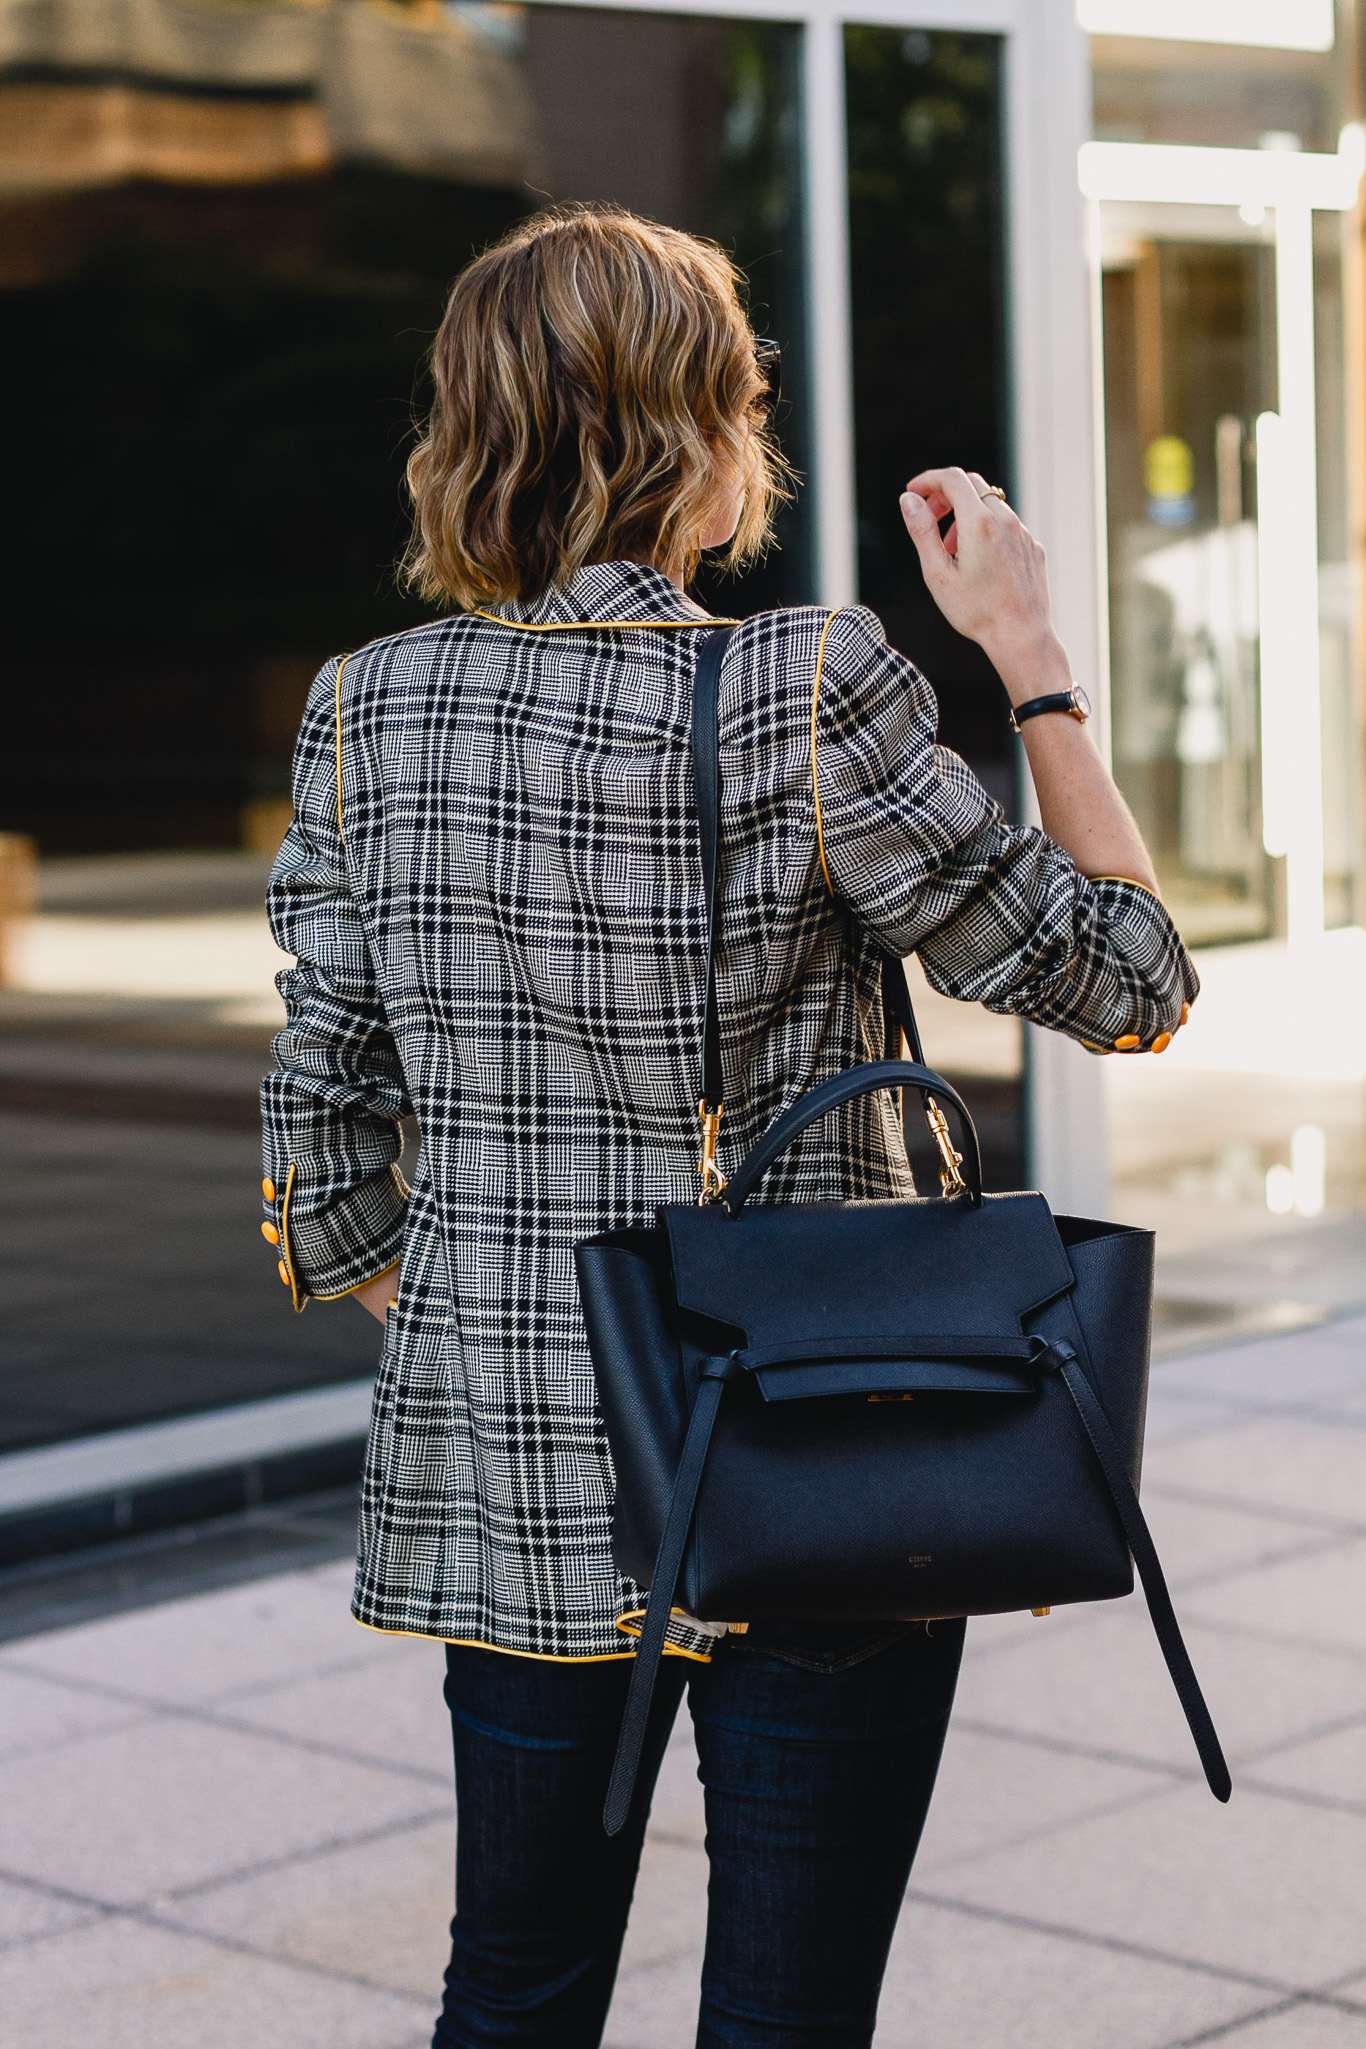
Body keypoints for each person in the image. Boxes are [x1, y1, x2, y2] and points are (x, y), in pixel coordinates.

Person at [260, 206, 1196, 2049]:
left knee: (511, 1990)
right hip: (808, 1444)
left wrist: (516, 1327)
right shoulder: (805, 682)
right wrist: (1027, 650)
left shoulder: (365, 712)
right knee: (786, 2013)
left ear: (471, 433)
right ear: (700, 429)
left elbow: (318, 1151)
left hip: (514, 1471)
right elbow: (1130, 975)